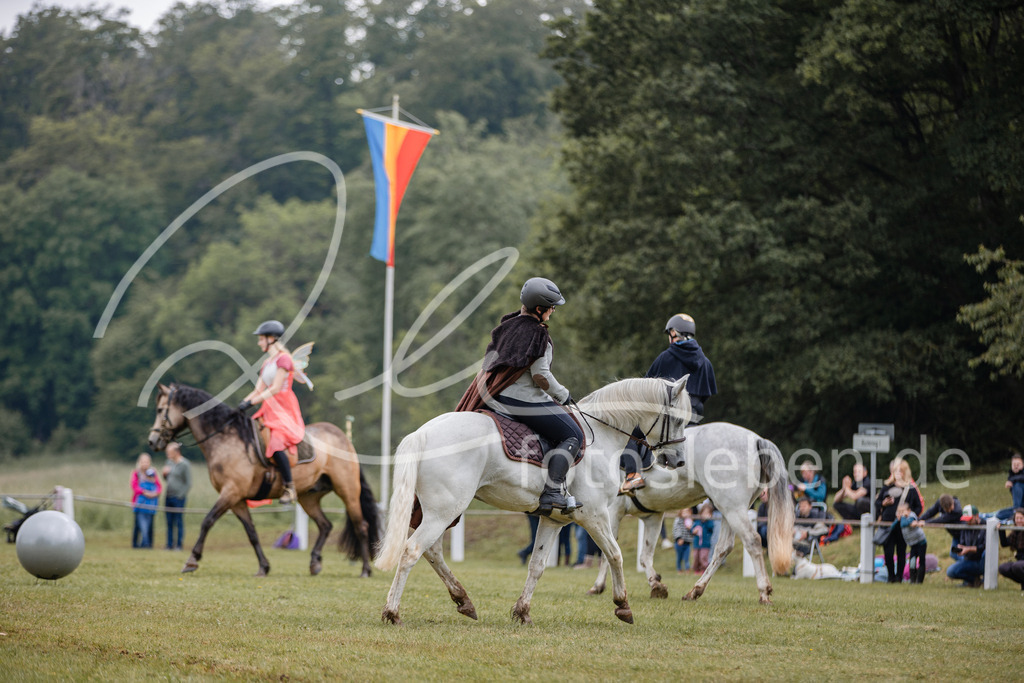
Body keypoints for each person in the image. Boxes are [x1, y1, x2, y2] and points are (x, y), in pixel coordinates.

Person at [455, 278, 584, 514]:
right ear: (539, 309)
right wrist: (564, 394)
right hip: (523, 401)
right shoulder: (538, 335)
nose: (554, 310)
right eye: (552, 306)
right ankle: (552, 493)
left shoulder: (507, 326)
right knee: (573, 434)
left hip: (496, 396)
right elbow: (541, 377)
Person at [619, 313, 717, 493]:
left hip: (669, 415)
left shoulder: (667, 357)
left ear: (674, 332)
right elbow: (706, 395)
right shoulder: (705, 361)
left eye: (669, 333)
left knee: (630, 431)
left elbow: (648, 387)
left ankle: (633, 475)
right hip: (694, 416)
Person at [238, 320, 306, 505]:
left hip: (283, 407)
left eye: (261, 339)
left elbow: (276, 388)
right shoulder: (267, 362)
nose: (259, 343)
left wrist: (251, 402)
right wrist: (243, 403)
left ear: (271, 339)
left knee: (275, 444)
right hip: (268, 406)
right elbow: (259, 389)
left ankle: (289, 487)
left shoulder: (284, 359)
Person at [875, 468, 922, 584]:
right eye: (896, 471)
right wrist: (883, 503)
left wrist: (908, 514)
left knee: (901, 551)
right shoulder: (887, 487)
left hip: (903, 526)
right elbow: (877, 503)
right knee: (888, 552)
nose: (898, 474)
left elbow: (919, 506)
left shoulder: (910, 489)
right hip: (888, 525)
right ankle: (891, 577)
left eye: (900, 471)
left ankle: (899, 578)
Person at [161, 441, 192, 551]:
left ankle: (179, 544)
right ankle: (169, 544)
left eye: (169, 452)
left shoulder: (185, 464)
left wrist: (180, 495)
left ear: (176, 452)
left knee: (178, 521)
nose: (167, 455)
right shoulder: (168, 462)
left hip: (178, 498)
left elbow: (188, 483)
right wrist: (164, 475)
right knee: (169, 522)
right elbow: (167, 479)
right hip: (168, 496)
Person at [947, 505, 986, 587]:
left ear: (977, 516)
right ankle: (973, 580)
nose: (968, 522)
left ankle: (984, 580)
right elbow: (963, 542)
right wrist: (961, 549)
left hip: (981, 560)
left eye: (970, 519)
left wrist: (968, 549)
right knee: (950, 571)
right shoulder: (965, 526)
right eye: (966, 520)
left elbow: (984, 547)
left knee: (985, 553)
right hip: (968, 558)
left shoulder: (986, 526)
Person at [920, 493, 963, 559]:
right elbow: (930, 512)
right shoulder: (939, 503)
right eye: (947, 510)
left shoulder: (957, 510)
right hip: (956, 535)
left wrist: (925, 523)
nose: (949, 511)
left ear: (952, 502)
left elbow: (942, 519)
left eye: (950, 508)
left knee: (959, 554)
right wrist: (919, 520)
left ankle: (967, 566)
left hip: (963, 534)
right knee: (954, 554)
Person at [130, 453, 159, 548]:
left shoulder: (153, 473)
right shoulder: (136, 473)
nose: (145, 464)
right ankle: (137, 543)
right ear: (139, 462)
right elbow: (134, 486)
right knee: (139, 525)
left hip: (151, 504)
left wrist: (155, 493)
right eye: (143, 462)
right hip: (139, 504)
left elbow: (159, 486)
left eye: (147, 462)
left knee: (149, 525)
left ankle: (148, 544)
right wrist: (144, 492)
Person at [897, 502, 928, 583]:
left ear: (909, 510)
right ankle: (912, 580)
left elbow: (905, 523)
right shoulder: (903, 519)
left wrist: (913, 523)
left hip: (921, 542)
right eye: (899, 512)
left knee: (922, 560)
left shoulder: (912, 516)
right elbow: (903, 524)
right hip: (913, 544)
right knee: (912, 561)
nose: (901, 514)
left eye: (903, 511)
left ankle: (919, 581)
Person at [997, 508, 1024, 590]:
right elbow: (1005, 543)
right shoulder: (1015, 532)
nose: (1018, 520)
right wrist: (1001, 530)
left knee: (1017, 566)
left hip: (1020, 563)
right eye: (1017, 518)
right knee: (1003, 568)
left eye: (1021, 518)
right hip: (1020, 561)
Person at [994, 452, 1024, 522]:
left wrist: (1012, 480)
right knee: (999, 514)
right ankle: (1014, 513)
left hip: (1019, 509)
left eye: (1018, 464)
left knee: (1017, 485)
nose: (1016, 466)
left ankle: (1015, 514)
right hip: (1020, 508)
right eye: (1014, 464)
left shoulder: (1017, 480)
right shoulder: (1012, 475)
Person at [692, 503, 715, 573]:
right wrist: (694, 531)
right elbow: (692, 529)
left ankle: (704, 570)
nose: (705, 515)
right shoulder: (697, 522)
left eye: (707, 513)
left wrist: (708, 520)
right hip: (696, 544)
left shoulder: (709, 523)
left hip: (705, 544)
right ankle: (696, 569)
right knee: (696, 557)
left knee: (703, 557)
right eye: (704, 513)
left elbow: (711, 528)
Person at [673, 507, 695, 572]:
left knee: (686, 557)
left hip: (687, 543)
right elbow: (676, 530)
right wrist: (679, 538)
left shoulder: (690, 521)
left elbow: (692, 532)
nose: (686, 514)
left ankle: (687, 569)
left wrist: (691, 528)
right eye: (684, 512)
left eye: (687, 512)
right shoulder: (678, 520)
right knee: (679, 557)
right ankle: (679, 569)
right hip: (679, 542)